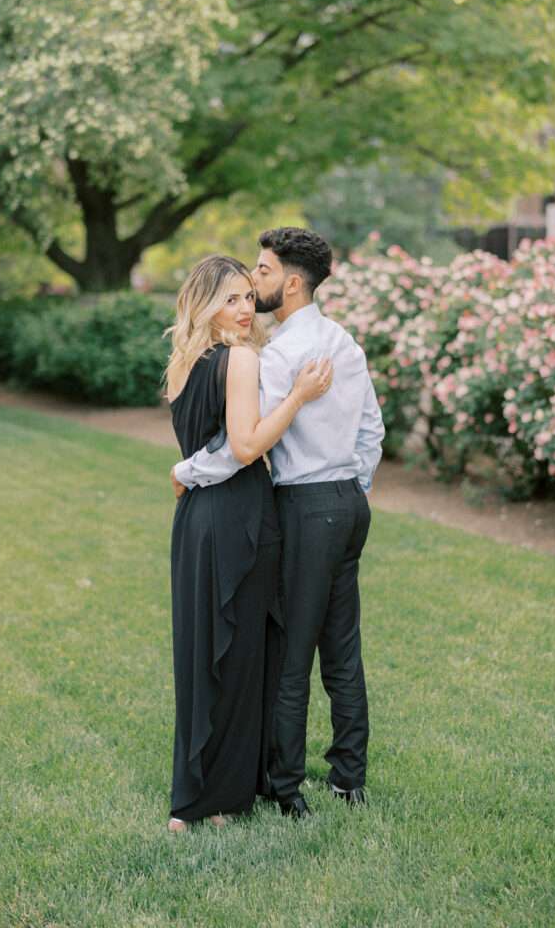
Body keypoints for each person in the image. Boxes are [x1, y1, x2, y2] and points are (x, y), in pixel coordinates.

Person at [172, 228, 384, 819]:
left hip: (304, 506)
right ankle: (349, 777)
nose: (253, 283)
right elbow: (372, 431)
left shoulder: (279, 356)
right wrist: (351, 487)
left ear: (291, 283)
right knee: (343, 649)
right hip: (349, 504)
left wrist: (187, 469)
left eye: (261, 273)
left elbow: (241, 440)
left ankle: (286, 787)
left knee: (292, 651)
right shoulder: (344, 341)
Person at [165, 254, 333, 833]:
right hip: (238, 515)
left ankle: (200, 790)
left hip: (195, 522)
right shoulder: (238, 359)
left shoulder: (182, 364)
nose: (243, 310)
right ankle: (223, 796)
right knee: (239, 653)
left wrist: (184, 472)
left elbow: (199, 449)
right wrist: (299, 397)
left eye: (246, 297)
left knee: (203, 651)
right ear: (205, 304)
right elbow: (244, 447)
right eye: (229, 300)